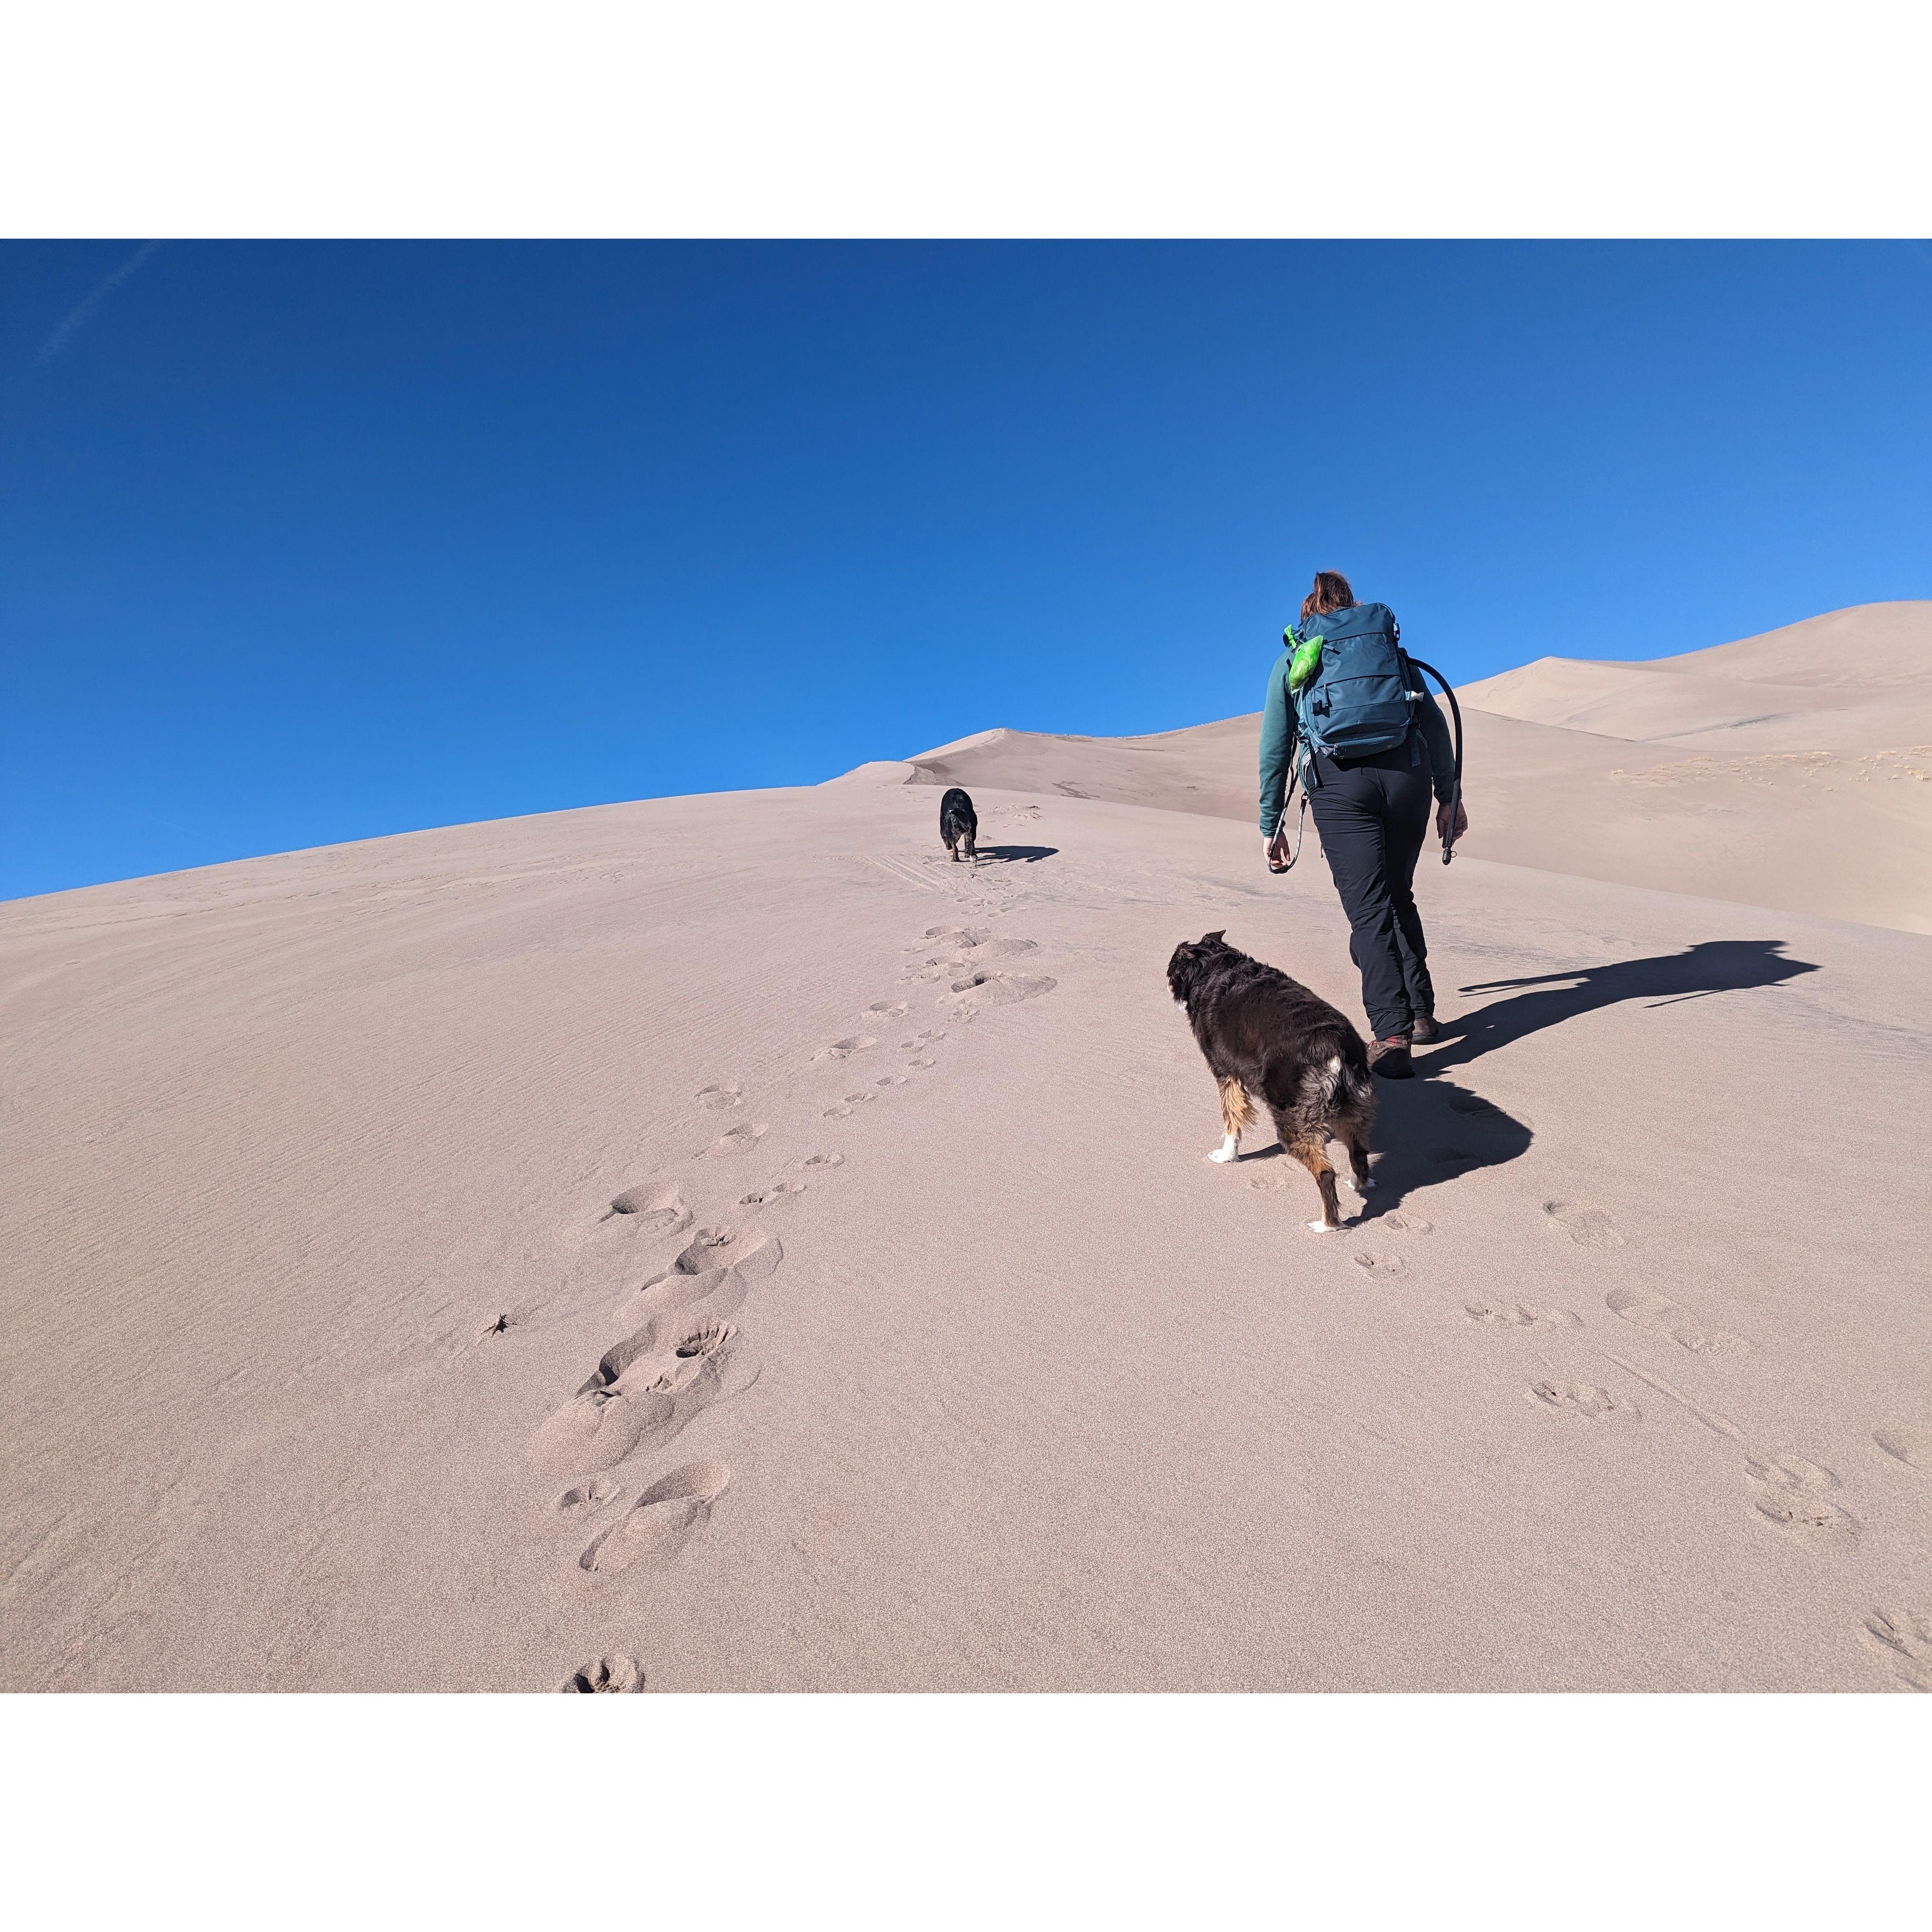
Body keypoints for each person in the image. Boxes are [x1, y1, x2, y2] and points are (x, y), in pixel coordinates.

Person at [1257, 570, 1467, 1080]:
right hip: (1407, 776)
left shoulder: (1296, 657)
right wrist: (1449, 796)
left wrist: (1272, 823)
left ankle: (1391, 1034)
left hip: (1338, 784)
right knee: (1399, 893)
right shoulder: (1387, 650)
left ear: (1310, 612)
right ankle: (1421, 1014)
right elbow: (1433, 723)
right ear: (1353, 607)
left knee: (1369, 910)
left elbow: (1274, 747)